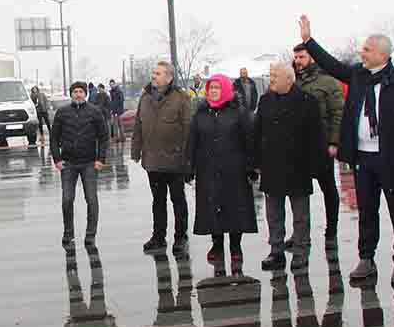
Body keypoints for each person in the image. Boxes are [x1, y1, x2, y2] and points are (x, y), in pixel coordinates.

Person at [298, 15, 394, 286]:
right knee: (367, 210)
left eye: (366, 49)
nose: (361, 53)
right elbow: (331, 64)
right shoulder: (358, 76)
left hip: (391, 159)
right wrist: (309, 41)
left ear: (381, 54)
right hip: (363, 158)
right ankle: (366, 258)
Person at [254, 63, 326, 272]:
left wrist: (316, 166)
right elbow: (257, 132)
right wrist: (256, 161)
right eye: (270, 75)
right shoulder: (265, 100)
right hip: (272, 166)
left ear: (289, 79)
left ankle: (301, 250)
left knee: (300, 215)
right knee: (273, 214)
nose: (271, 79)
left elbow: (316, 136)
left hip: (298, 166)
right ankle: (276, 251)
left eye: (275, 76)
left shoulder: (307, 101)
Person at [186, 73, 258, 265]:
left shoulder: (239, 112)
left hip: (235, 169)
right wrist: (189, 166)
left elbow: (249, 140)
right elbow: (192, 141)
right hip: (208, 169)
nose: (214, 92)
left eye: (217, 88)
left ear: (226, 90)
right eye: (211, 89)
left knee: (236, 208)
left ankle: (236, 246)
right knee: (212, 208)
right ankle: (217, 245)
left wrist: (252, 166)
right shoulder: (200, 114)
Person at [131, 61, 195, 254]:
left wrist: (188, 160)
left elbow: (188, 130)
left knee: (178, 200)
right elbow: (138, 126)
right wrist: (136, 151)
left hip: (175, 160)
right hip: (153, 160)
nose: (154, 76)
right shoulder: (145, 98)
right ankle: (158, 237)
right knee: (157, 201)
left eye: (158, 73)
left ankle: (180, 237)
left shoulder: (181, 98)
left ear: (169, 77)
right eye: (153, 73)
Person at [292, 43, 345, 247]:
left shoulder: (327, 82)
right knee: (298, 193)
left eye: (302, 57)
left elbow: (337, 113)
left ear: (312, 58)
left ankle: (331, 230)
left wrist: (334, 141)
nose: (298, 61)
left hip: (321, 144)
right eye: (296, 57)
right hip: (298, 147)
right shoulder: (292, 82)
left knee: (328, 188)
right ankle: (300, 233)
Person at [51, 82, 109, 247]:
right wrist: (57, 159)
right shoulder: (62, 113)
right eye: (75, 92)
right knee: (67, 199)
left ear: (85, 94)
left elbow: (104, 137)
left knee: (91, 199)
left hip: (89, 163)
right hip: (68, 163)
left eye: (81, 91)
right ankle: (68, 233)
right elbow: (54, 138)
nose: (78, 94)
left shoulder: (95, 112)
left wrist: (101, 159)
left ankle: (90, 235)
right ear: (71, 94)